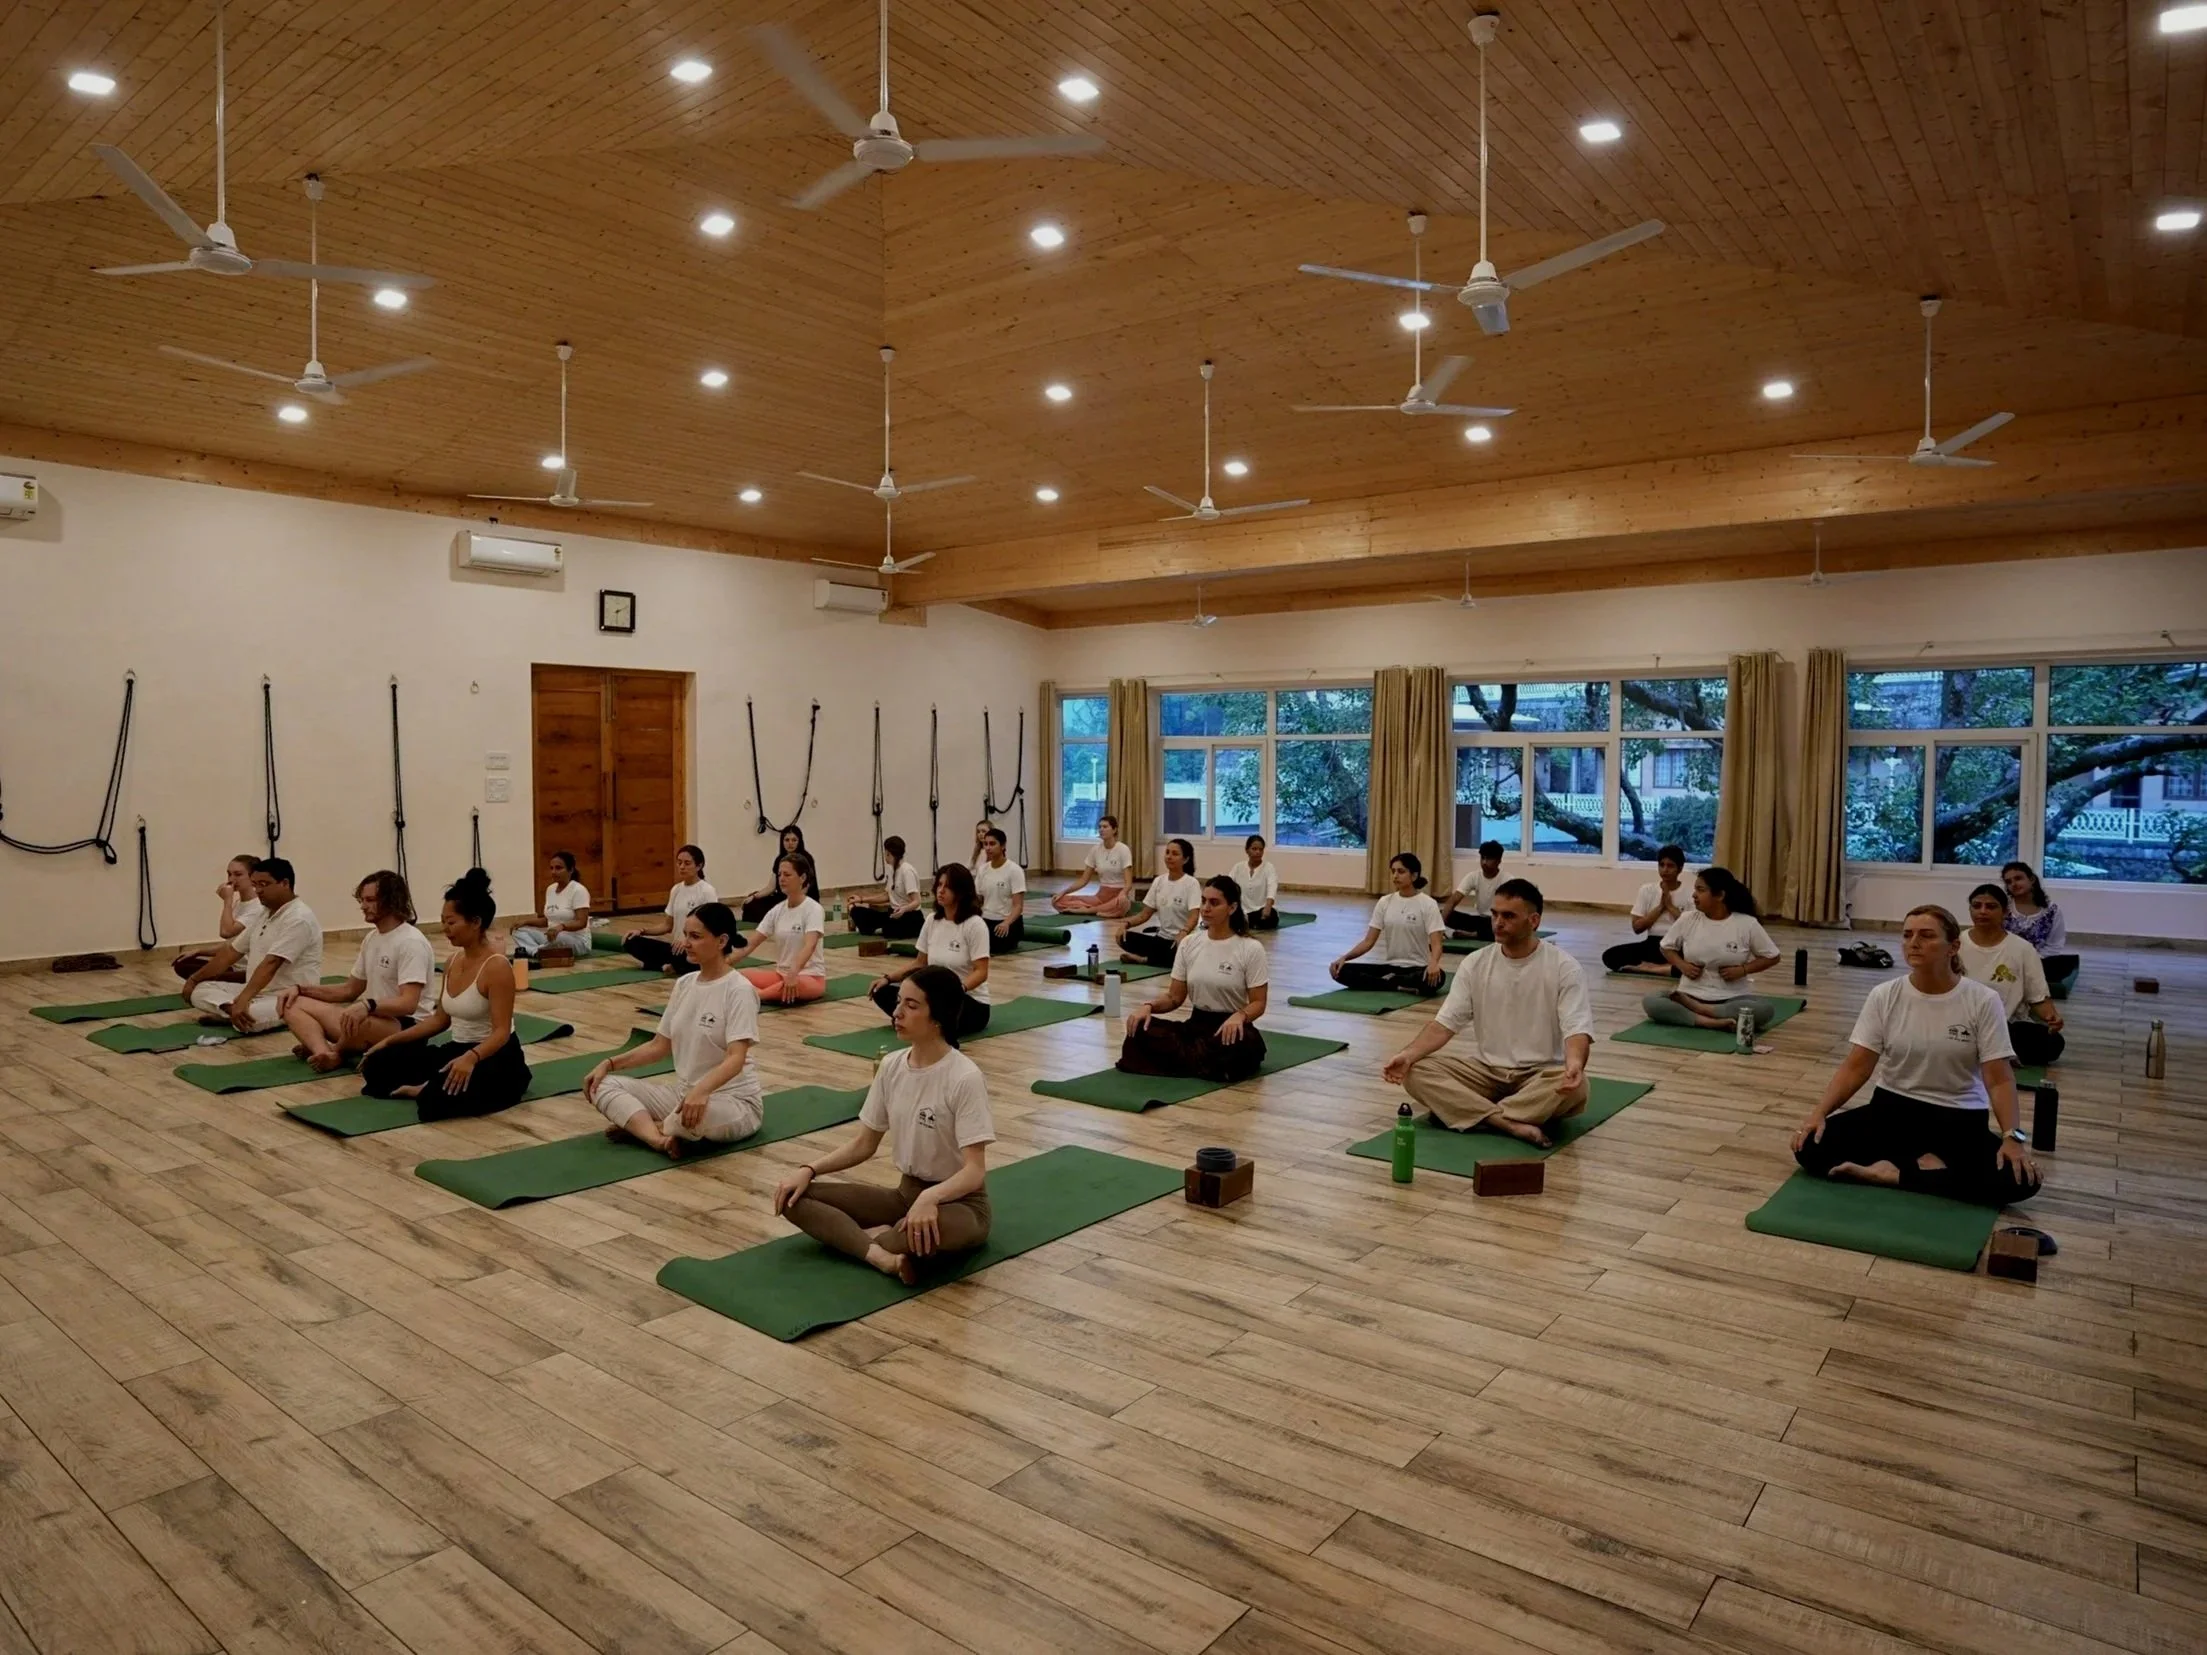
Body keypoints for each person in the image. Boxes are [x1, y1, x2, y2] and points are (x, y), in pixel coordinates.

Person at [1792, 904, 2041, 1208]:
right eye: (1907, 935)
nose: (1914, 943)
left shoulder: (1982, 1000)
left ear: (1954, 947)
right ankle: (1927, 1169)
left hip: (1958, 1118)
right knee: (1809, 1148)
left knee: (2021, 1181)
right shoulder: (1885, 995)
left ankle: (1894, 1174)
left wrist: (2012, 1138)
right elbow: (1857, 1067)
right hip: (1892, 1110)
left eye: (1926, 936)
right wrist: (1818, 1114)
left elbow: (1999, 1079)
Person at [772, 965, 994, 1285]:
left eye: (911, 1005)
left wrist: (930, 1199)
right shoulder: (891, 1066)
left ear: (938, 1017)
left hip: (960, 1204)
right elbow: (864, 1144)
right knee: (793, 1198)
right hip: (905, 1195)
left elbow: (974, 1171)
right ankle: (881, 1255)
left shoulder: (964, 1076)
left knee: (913, 1234)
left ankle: (870, 1240)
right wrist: (808, 1169)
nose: (897, 1012)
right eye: (898, 1002)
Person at [1380, 878, 1593, 1144]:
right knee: (1415, 1072)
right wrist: (1408, 1054)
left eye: (1508, 916)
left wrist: (1574, 1064)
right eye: (1494, 914)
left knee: (1578, 1088)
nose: (1497, 922)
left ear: (1534, 921)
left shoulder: (1564, 967)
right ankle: (1508, 1122)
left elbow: (1577, 1029)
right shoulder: (1475, 963)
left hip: (1537, 1075)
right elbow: (1444, 1024)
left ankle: (1469, 1112)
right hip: (1484, 1072)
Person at [585, 902, 763, 1155]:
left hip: (732, 1102)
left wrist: (702, 1091)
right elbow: (659, 1046)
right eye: (685, 935)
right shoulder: (684, 984)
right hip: (682, 1096)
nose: (686, 943)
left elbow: (736, 1059)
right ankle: (657, 1138)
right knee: (601, 1085)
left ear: (722, 941)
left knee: (691, 1118)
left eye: (696, 936)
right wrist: (610, 1063)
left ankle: (646, 1126)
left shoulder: (739, 990)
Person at [360, 869, 531, 1118]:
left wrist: (471, 1059)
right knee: (379, 1065)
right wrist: (389, 1041)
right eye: (443, 922)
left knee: (436, 1101)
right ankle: (428, 1084)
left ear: (475, 922)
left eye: (451, 923)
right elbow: (441, 1020)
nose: (445, 929)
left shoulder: (497, 967)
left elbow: (501, 1032)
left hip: (494, 1056)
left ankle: (424, 1090)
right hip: (457, 1048)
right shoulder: (453, 960)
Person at [1118, 875, 1269, 1084]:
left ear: (1232, 908)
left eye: (1214, 903)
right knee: (1140, 1032)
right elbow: (1174, 997)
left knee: (1234, 1048)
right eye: (1204, 901)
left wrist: (1240, 1016)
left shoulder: (1251, 948)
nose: (1206, 908)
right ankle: (1201, 1064)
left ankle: (1193, 1063)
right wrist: (1148, 1007)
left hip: (1230, 1028)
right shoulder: (1189, 943)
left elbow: (1259, 1002)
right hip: (1196, 1027)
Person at [278, 870, 433, 1071]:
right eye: (362, 900)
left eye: (369, 900)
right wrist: (299, 989)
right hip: (373, 1019)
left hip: (406, 1028)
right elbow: (349, 990)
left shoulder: (411, 942)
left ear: (391, 901)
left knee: (359, 1019)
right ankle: (324, 1052)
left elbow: (408, 1004)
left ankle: (336, 1050)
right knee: (290, 1003)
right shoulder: (372, 938)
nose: (363, 906)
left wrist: (367, 1006)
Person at [182, 857, 323, 1034]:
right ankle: (233, 1013)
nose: (259, 891)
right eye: (256, 885)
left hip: (289, 996)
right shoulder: (265, 913)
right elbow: (231, 952)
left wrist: (243, 999)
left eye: (264, 884)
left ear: (285, 883)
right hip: (259, 991)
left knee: (251, 1015)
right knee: (201, 990)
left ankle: (241, 1014)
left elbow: (270, 964)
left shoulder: (298, 918)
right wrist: (194, 979)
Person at [1643, 865, 1783, 1033]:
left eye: (1701, 890)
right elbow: (1666, 947)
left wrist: (1743, 970)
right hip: (1689, 994)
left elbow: (1772, 956)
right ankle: (1708, 1022)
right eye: (1695, 889)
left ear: (1720, 895)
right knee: (1651, 1001)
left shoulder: (1746, 923)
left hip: (1733, 998)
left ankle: (1704, 1011)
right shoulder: (1688, 918)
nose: (1694, 895)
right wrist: (1682, 965)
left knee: (1765, 1010)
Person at [869, 865, 991, 1036]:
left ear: (961, 891)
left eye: (947, 887)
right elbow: (920, 963)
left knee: (938, 1006)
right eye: (939, 885)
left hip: (968, 1000)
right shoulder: (932, 920)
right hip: (934, 996)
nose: (941, 891)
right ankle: (922, 1020)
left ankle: (920, 1021)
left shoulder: (975, 925)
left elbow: (981, 972)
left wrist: (958, 990)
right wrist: (887, 978)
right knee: (882, 991)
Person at [1961, 883, 2066, 1068]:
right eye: (1976, 906)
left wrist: (2052, 1017)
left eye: (1991, 906)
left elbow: (2038, 997)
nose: (1982, 911)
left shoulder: (2023, 949)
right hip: (1961, 1022)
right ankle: (1994, 1054)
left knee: (2054, 1043)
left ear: (2005, 912)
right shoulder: (1955, 944)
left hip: (2004, 1026)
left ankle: (1984, 1051)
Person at [1330, 853, 1447, 996]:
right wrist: (1344, 958)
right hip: (1390, 968)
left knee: (1439, 977)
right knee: (1340, 971)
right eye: (1393, 871)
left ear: (1414, 876)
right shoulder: (1384, 902)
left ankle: (1390, 983)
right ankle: (1396, 985)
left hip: (1417, 969)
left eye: (1401, 871)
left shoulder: (1428, 904)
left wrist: (1433, 963)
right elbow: (1368, 942)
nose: (1395, 876)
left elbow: (1436, 943)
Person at [727, 852, 828, 1004]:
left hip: (809, 977)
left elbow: (810, 945)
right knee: (736, 976)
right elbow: (751, 944)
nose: (781, 878)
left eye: (787, 874)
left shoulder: (813, 909)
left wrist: (793, 973)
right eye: (780, 874)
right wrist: (724, 964)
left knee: (793, 984)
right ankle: (761, 992)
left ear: (802, 878)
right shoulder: (777, 910)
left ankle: (757, 996)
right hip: (781, 975)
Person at [622, 845, 719, 974]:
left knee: (694, 960)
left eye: (687, 863)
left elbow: (712, 927)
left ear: (699, 866)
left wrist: (688, 941)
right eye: (679, 863)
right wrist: (642, 931)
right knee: (631, 941)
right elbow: (667, 925)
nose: (682, 867)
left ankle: (667, 965)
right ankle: (668, 965)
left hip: (695, 949)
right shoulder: (676, 889)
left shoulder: (707, 891)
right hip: (676, 949)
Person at [172, 853, 262, 980]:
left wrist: (227, 900)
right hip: (229, 963)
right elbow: (232, 944)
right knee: (182, 963)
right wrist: (198, 951)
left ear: (253, 877)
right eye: (229, 874)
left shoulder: (257, 908)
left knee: (197, 975)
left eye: (238, 874)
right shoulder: (239, 904)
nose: (231, 879)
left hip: (244, 969)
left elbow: (226, 932)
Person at [1603, 844, 1688, 975]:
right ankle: (1667, 968)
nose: (1665, 870)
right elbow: (1637, 928)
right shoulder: (1647, 890)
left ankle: (1649, 968)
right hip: (1653, 944)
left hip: (1676, 946)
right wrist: (1660, 907)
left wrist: (1670, 907)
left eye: (1670, 866)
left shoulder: (1690, 893)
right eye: (1662, 865)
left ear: (1680, 868)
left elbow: (1691, 928)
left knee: (1698, 965)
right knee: (1610, 956)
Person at [1119, 838, 1201, 967]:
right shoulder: (1159, 881)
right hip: (1162, 939)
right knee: (1122, 937)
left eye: (1175, 854)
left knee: (1182, 952)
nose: (1169, 857)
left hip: (1184, 939)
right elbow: (1144, 914)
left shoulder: (1191, 883)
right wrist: (1126, 924)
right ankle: (1156, 958)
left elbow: (1194, 916)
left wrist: (1183, 932)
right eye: (1167, 852)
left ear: (1185, 859)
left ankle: (1145, 960)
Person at [2001, 861, 2078, 996]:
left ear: (2031, 879)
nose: (2014, 884)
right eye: (2009, 881)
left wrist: (2030, 960)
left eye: (2018, 878)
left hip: (2039, 961)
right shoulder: (2003, 908)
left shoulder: (2052, 910)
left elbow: (2054, 945)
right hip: (2004, 958)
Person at [511, 850, 592, 959]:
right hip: (551, 936)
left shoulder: (579, 890)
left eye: (558, 868)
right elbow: (548, 920)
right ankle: (537, 952)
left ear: (571, 870)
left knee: (558, 938)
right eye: (551, 868)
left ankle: (538, 950)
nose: (553, 872)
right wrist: (525, 921)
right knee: (519, 931)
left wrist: (561, 927)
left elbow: (581, 922)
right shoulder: (550, 889)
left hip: (576, 940)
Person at [1052, 815, 1135, 917]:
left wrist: (1122, 894)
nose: (1101, 830)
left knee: (1122, 904)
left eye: (1105, 827)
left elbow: (1128, 884)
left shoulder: (1123, 849)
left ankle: (1088, 911)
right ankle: (1099, 910)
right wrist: (1063, 892)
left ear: (1114, 830)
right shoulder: (1095, 850)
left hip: (1118, 897)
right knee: (1057, 901)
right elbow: (1083, 880)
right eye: (1099, 827)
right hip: (1100, 898)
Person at [849, 835, 925, 938]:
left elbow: (917, 901)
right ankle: (874, 927)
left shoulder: (907, 871)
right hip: (894, 914)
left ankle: (878, 928)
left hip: (909, 916)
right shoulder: (892, 870)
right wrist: (861, 899)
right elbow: (887, 896)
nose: (885, 856)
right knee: (857, 911)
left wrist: (903, 909)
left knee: (889, 929)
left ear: (889, 853)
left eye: (886, 853)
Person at [742, 825, 819, 926]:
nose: (790, 843)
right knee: (751, 905)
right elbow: (771, 887)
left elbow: (807, 886)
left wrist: (794, 901)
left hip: (801, 897)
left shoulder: (805, 859)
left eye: (794, 840)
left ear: (799, 841)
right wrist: (754, 896)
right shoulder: (780, 859)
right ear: (782, 842)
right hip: (782, 897)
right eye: (787, 840)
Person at [973, 826, 1026, 951]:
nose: (988, 848)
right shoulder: (983, 870)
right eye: (985, 844)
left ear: (1002, 846)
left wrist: (1006, 923)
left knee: (997, 947)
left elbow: (1018, 906)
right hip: (987, 919)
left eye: (992, 844)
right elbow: (978, 900)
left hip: (1007, 921)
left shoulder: (1014, 870)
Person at [1441, 839, 1506, 940]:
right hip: (1479, 920)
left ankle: (1471, 935)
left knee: (1507, 928)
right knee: (1442, 913)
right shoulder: (1473, 876)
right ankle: (1472, 933)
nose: (1484, 862)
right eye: (1482, 858)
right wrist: (1440, 927)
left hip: (1496, 921)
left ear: (1498, 861)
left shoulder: (1507, 880)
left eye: (1488, 859)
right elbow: (1453, 900)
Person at [1226, 834, 1282, 929]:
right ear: (1247, 850)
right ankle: (1246, 921)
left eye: (1261, 850)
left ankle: (1246, 922)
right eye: (1254, 849)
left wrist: (1268, 907)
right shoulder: (1238, 867)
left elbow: (1272, 887)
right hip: (1241, 910)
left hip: (1261, 910)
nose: (1258, 852)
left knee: (1271, 917)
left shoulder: (1269, 867)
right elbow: (1227, 885)